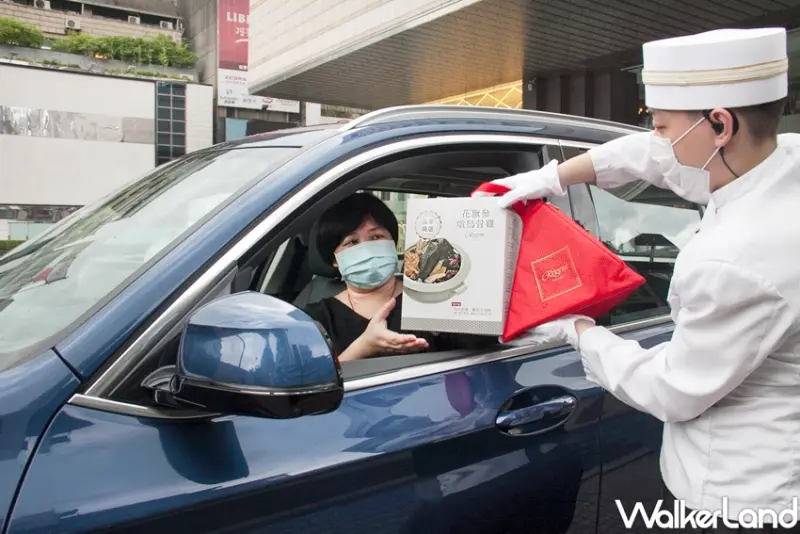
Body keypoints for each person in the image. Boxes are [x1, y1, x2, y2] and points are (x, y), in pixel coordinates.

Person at [479, 28, 800, 532]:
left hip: (738, 496)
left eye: (662, 125)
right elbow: (650, 155)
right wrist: (549, 178)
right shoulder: (780, 160)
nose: (657, 138)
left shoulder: (739, 259)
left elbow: (670, 388)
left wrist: (578, 330)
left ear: (721, 124)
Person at [303, 192, 492, 361]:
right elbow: (310, 381)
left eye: (376, 237)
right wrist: (362, 347)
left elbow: (482, 354)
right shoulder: (315, 318)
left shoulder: (434, 296)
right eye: (352, 242)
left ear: (393, 244)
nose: (367, 249)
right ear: (334, 259)